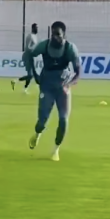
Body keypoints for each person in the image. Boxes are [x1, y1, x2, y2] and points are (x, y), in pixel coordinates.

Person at [28, 22, 81, 162]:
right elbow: (30, 54)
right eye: (53, 34)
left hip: (62, 88)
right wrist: (34, 74)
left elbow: (78, 73)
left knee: (63, 119)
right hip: (47, 86)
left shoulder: (70, 48)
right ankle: (37, 134)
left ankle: (56, 149)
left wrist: (68, 85)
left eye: (58, 34)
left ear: (64, 35)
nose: (54, 37)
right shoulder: (44, 45)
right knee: (42, 121)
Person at [11, 23, 39, 92]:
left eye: (37, 28)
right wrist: (35, 49)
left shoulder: (35, 36)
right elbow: (28, 47)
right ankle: (15, 81)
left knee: (32, 74)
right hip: (28, 56)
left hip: (32, 57)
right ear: (33, 28)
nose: (37, 29)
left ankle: (25, 89)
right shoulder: (30, 36)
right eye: (36, 28)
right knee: (31, 75)